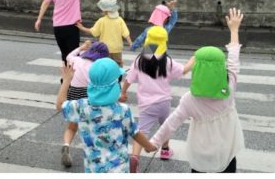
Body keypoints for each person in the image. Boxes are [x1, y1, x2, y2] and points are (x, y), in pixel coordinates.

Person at [150, 8, 245, 173]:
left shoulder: (189, 99)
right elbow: (233, 59)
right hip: (226, 149)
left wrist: (154, 142)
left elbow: (171, 122)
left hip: (200, 152)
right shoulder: (228, 88)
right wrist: (234, 30)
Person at [59, 57, 157, 173]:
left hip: (93, 169)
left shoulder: (81, 107)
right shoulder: (123, 110)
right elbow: (135, 133)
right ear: (114, 86)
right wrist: (149, 146)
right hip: (120, 169)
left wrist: (66, 81)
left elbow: (60, 104)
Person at [119, 26, 194, 173]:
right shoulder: (167, 61)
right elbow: (183, 70)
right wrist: (192, 60)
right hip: (163, 102)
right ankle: (165, 150)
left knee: (141, 131)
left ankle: (135, 157)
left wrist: (123, 92)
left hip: (146, 104)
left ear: (148, 40)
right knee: (166, 126)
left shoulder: (140, 60)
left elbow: (129, 79)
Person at [56, 39, 110, 168]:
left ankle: (66, 145)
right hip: (88, 95)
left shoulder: (76, 60)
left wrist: (81, 47)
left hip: (73, 93)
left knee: (71, 126)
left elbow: (68, 56)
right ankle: (96, 153)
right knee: (93, 125)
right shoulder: (97, 66)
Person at [77, 0, 132, 65]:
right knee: (118, 65)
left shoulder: (102, 20)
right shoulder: (120, 20)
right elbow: (126, 33)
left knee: (105, 66)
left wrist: (82, 28)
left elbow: (94, 32)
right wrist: (130, 43)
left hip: (104, 49)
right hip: (117, 49)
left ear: (105, 10)